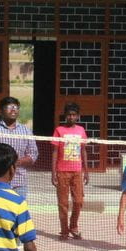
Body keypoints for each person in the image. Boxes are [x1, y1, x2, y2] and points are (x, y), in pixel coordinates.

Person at [0, 96, 39, 199]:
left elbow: (33, 154)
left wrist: (16, 162)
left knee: (17, 208)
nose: (13, 110)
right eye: (9, 107)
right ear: (1, 110)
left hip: (19, 183)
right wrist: (3, 162)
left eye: (16, 107)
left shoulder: (26, 131)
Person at [51, 102, 88, 240]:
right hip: (62, 171)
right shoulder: (59, 130)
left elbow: (83, 151)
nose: (71, 117)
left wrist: (86, 170)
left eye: (74, 115)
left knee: (78, 201)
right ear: (65, 116)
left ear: (77, 116)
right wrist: (53, 173)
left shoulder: (81, 130)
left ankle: (73, 226)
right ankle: (64, 230)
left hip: (77, 171)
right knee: (63, 203)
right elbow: (55, 152)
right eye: (69, 115)